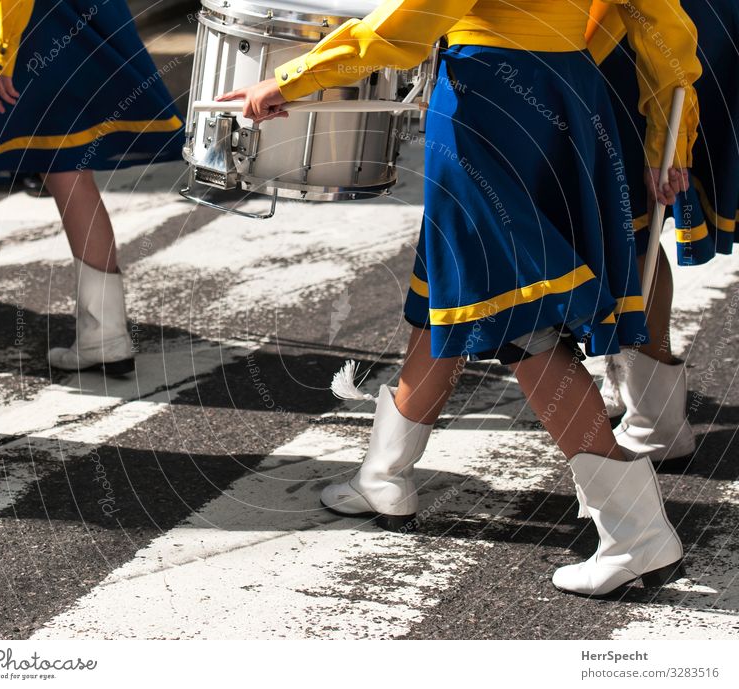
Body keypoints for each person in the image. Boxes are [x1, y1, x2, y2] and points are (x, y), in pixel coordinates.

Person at [219, 0, 700, 597]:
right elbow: (666, 31)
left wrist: (295, 77)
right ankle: (385, 472)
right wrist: (671, 134)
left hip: (487, 105)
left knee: (515, 319)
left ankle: (637, 534)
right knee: (458, 287)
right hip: (569, 94)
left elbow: (410, 23)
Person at [0, 0, 184, 374]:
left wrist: (2, 51)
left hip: (12, 23)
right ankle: (106, 335)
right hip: (73, 15)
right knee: (68, 167)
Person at [588, 0, 739, 465]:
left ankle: (657, 420)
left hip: (641, 40)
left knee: (630, 227)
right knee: (614, 226)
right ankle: (634, 393)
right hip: (625, 35)